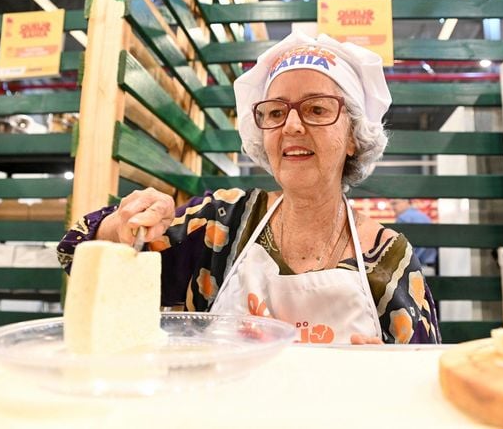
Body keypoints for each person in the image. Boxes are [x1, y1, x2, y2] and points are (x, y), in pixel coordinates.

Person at [57, 31, 441, 345]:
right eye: (275, 112)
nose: (291, 125)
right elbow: (76, 255)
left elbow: (422, 383)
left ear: (355, 136)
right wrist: (123, 228)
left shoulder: (391, 261)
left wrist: (387, 377)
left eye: (317, 108)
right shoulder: (220, 224)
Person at [390, 199, 438, 275]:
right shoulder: (424, 217)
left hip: (411, 270)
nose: (392, 207)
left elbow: (400, 248)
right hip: (429, 267)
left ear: (406, 201)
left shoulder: (403, 219)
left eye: (395, 203)